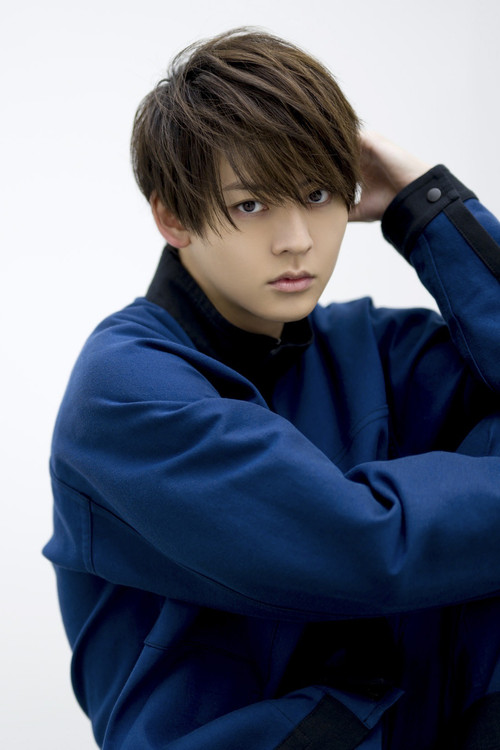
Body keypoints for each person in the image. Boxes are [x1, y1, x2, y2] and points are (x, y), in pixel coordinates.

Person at [43, 28, 500, 750]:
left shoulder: (372, 349)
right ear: (172, 217)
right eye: (252, 204)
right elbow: (363, 547)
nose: (296, 239)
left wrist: (427, 205)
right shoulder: (125, 392)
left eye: (317, 194)